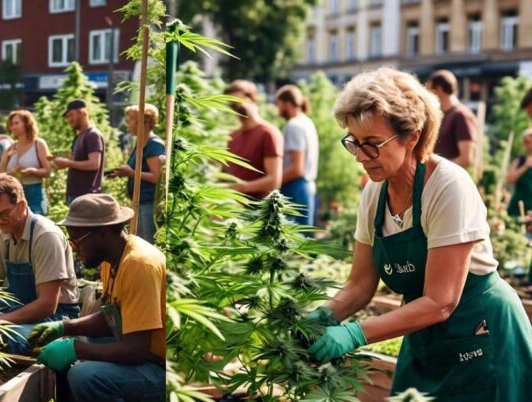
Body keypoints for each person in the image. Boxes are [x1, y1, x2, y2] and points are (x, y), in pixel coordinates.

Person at [307, 67, 532, 401]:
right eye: (354, 143)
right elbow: (359, 285)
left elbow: (440, 302)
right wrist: (318, 319)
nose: (360, 157)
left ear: (411, 136)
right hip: (424, 337)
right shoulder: (374, 193)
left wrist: (355, 333)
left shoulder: (447, 187)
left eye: (372, 144)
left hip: (480, 335)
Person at [29, 193, 165, 402]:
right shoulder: (110, 259)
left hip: (161, 368)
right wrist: (64, 327)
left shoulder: (139, 264)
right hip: (145, 353)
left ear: (102, 232)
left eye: (77, 241)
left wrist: (75, 350)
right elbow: (112, 317)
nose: (73, 249)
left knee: (85, 376)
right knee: (83, 339)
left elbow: (135, 350)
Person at [0, 174, 80, 355]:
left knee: (5, 336)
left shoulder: (45, 236)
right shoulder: (3, 233)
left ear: (22, 206)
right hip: (20, 307)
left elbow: (47, 304)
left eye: (4, 214)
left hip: (57, 317)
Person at [111, 104, 165, 243]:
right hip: (140, 203)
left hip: (149, 204)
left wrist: (131, 173)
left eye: (131, 120)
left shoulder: (154, 144)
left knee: (148, 243)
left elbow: (156, 177)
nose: (128, 124)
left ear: (144, 122)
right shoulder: (141, 143)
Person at [222, 80, 283, 199]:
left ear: (252, 98)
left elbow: (274, 181)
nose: (236, 109)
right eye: (232, 106)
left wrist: (241, 187)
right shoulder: (232, 137)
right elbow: (224, 175)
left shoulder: (268, 133)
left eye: (239, 103)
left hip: (257, 209)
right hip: (232, 208)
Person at [0, 110, 52, 215]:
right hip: (14, 195)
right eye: (11, 124)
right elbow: (0, 175)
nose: (13, 127)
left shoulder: (38, 144)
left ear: (27, 124)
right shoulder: (11, 147)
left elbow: (48, 171)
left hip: (35, 193)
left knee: (36, 227)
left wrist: (34, 171)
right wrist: (8, 165)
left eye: (16, 123)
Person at [276, 84, 319, 226]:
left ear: (286, 104)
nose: (277, 110)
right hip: (307, 187)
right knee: (303, 241)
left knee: (291, 240)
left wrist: (273, 182)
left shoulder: (293, 125)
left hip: (295, 187)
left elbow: (297, 168)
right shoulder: (307, 122)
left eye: (278, 105)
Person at [51, 99, 105, 205]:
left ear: (82, 112)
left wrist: (68, 163)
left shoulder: (92, 135)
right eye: (67, 117)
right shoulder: (79, 136)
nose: (69, 119)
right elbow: (74, 162)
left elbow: (94, 164)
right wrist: (61, 163)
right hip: (75, 195)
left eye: (71, 115)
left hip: (87, 196)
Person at [426, 69, 478, 169]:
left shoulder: (462, 115)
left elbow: (466, 159)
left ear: (439, 89)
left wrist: (435, 168)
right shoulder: (440, 114)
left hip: (449, 180)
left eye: (429, 90)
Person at [506, 129, 532, 217]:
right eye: (527, 142)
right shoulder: (519, 161)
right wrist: (525, 166)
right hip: (517, 207)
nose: (530, 145)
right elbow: (509, 179)